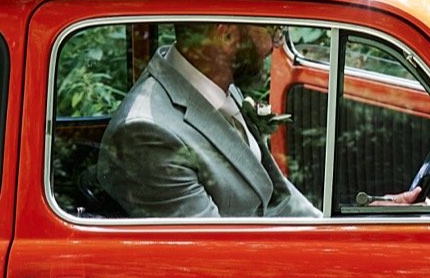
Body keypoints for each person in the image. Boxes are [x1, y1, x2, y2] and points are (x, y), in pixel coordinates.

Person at [99, 24, 322, 219]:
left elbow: (275, 197)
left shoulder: (216, 79)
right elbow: (212, 255)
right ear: (226, 36)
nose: (276, 42)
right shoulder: (147, 136)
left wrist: (325, 232)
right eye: (272, 30)